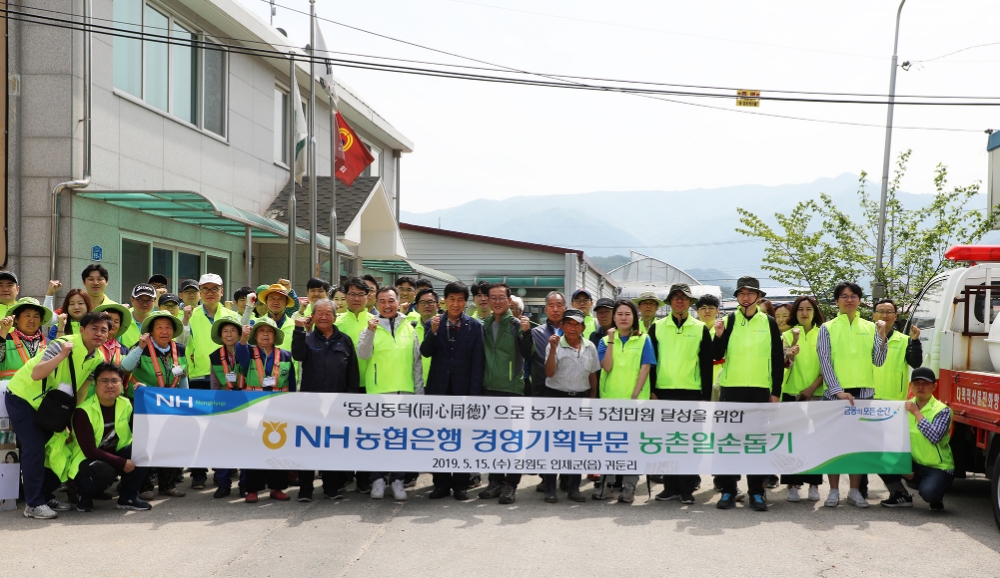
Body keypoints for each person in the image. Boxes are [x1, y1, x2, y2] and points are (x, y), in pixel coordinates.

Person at [4, 311, 110, 519]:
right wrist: (62, 355)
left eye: (104, 330)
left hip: (51, 406)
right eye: (94, 329)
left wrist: (70, 420)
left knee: (56, 447)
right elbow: (36, 374)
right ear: (82, 330)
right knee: (34, 448)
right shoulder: (62, 344)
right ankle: (33, 504)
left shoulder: (98, 358)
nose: (99, 333)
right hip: (23, 396)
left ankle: (43, 494)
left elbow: (81, 391)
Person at [711, 277, 783, 512]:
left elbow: (776, 359)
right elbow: (716, 355)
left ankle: (757, 492)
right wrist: (719, 335)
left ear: (758, 296)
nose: (745, 297)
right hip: (731, 389)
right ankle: (729, 490)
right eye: (741, 293)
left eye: (750, 293)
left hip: (760, 390)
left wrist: (775, 392)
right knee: (728, 442)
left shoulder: (769, 322)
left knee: (757, 443)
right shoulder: (728, 321)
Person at [817, 281, 888, 508]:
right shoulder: (827, 328)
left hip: (864, 394)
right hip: (835, 396)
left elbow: (878, 360)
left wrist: (882, 336)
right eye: (844, 296)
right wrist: (837, 391)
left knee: (858, 444)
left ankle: (855, 491)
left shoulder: (870, 327)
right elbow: (825, 361)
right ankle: (834, 490)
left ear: (859, 300)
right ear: (836, 301)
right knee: (834, 444)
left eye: (854, 295)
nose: (849, 299)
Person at [648, 283, 713, 505]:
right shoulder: (657, 327)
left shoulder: (699, 328)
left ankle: (686, 488)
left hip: (691, 393)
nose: (679, 301)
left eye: (684, 298)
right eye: (675, 297)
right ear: (669, 301)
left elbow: (705, 364)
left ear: (690, 302)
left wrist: (705, 396)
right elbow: (651, 363)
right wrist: (653, 390)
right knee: (667, 441)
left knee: (688, 443)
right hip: (663, 392)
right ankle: (670, 487)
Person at [291, 298, 361, 502]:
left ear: (334, 316)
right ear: (312, 316)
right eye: (319, 312)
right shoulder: (308, 338)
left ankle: (331, 487)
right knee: (307, 446)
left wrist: (350, 401)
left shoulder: (345, 340)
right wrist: (298, 330)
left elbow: (352, 373)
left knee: (332, 447)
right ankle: (306, 489)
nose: (323, 316)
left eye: (327, 313)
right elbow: (297, 355)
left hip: (337, 403)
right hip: (310, 403)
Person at [357, 286, 423, 501]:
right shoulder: (370, 328)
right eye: (382, 301)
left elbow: (416, 364)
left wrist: (419, 395)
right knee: (378, 439)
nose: (387, 305)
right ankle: (377, 479)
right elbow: (363, 354)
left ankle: (397, 479)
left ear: (398, 302)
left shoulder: (408, 328)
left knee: (400, 440)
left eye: (391, 300)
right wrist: (369, 332)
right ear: (376, 304)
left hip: (404, 392)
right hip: (378, 393)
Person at [421, 282, 484, 500]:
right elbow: (426, 352)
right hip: (438, 389)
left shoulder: (475, 327)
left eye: (460, 300)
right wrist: (434, 332)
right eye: (451, 299)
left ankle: (460, 484)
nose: (455, 304)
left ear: (465, 302)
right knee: (439, 437)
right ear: (444, 301)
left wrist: (474, 395)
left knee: (462, 438)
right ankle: (440, 484)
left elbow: (478, 363)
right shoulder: (434, 323)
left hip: (463, 391)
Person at [594, 300, 655, 503]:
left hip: (635, 401)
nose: (623, 317)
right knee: (610, 443)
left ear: (634, 317)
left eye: (627, 314)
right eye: (619, 314)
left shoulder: (643, 339)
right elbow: (607, 366)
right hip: (610, 401)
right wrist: (611, 340)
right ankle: (608, 484)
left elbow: (645, 367)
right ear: (614, 317)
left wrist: (635, 394)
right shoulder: (604, 341)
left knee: (633, 445)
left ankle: (629, 486)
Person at [69, 363, 150, 512]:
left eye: (115, 381)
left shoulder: (126, 404)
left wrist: (142, 399)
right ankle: (82, 494)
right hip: (88, 462)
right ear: (95, 384)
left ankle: (128, 497)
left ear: (121, 383)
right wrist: (122, 462)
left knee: (143, 450)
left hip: (114, 455)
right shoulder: (82, 411)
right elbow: (90, 451)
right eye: (104, 381)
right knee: (101, 470)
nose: (110, 385)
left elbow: (142, 432)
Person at [478, 282, 533, 504]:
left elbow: (528, 353)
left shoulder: (517, 324)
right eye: (493, 297)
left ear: (509, 300)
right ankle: (495, 481)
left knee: (511, 441)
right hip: (488, 388)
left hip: (512, 390)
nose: (498, 301)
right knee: (492, 439)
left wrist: (527, 332)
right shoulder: (484, 324)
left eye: (502, 297)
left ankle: (511, 484)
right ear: (488, 301)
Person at [541, 308, 599, 503]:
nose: (573, 328)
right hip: (556, 398)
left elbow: (592, 376)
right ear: (563, 326)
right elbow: (549, 373)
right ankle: (550, 488)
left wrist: (591, 399)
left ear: (583, 327)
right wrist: (553, 350)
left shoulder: (590, 346)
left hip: (580, 399)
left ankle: (574, 487)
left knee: (577, 445)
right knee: (553, 445)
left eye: (577, 324)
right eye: (569, 324)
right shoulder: (554, 344)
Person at [236, 317, 296, 503]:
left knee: (278, 446)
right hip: (254, 407)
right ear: (255, 335)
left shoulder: (285, 355)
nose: (265, 335)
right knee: (254, 447)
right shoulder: (248, 352)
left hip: (279, 408)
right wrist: (243, 339)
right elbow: (239, 355)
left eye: (269, 332)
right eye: (261, 332)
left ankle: (277, 487)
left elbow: (292, 383)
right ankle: (253, 489)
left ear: (275, 336)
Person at [879, 367, 954, 510]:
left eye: (925, 383)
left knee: (929, 493)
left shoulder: (942, 410)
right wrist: (901, 465)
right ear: (911, 386)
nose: (920, 387)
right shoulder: (903, 407)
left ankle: (936, 495)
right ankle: (900, 494)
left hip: (938, 467)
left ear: (934, 386)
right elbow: (894, 438)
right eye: (916, 383)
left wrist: (916, 412)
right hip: (914, 463)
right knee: (880, 457)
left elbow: (935, 437)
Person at [779, 296, 826, 502]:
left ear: (815, 312)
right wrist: (790, 355)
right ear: (795, 313)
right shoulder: (787, 335)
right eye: (800, 309)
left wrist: (812, 387)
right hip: (791, 394)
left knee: (815, 441)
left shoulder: (823, 334)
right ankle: (792, 484)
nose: (804, 313)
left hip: (816, 394)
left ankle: (814, 484)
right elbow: (783, 365)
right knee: (791, 441)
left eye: (809, 309)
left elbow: (829, 366)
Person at [337, 277, 376, 494]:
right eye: (352, 294)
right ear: (346, 296)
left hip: (369, 386)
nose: (357, 298)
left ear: (368, 297)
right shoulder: (337, 322)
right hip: (343, 386)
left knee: (365, 435)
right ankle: (343, 476)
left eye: (362, 294)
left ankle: (364, 478)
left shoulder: (375, 321)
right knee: (344, 434)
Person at [872, 299, 923, 401]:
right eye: (881, 311)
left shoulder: (904, 340)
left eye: (889, 312)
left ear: (895, 316)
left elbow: (916, 363)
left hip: (895, 400)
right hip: (868, 397)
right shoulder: (866, 337)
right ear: (874, 315)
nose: (885, 315)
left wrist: (915, 341)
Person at [0, 298, 53, 379]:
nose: (31, 320)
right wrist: (3, 330)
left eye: (36, 316)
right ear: (16, 319)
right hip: (9, 390)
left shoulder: (49, 343)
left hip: (40, 391)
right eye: (27, 315)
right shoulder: (5, 339)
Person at [530, 292, 566, 396]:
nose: (555, 309)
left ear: (565, 308)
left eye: (559, 305)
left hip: (566, 393)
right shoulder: (536, 333)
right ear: (546, 309)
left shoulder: (572, 333)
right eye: (551, 306)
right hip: (542, 392)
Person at [258, 284, 297, 353]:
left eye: (280, 299)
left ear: (286, 302)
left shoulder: (295, 326)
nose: (276, 302)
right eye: (272, 298)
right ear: (266, 302)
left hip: (288, 364)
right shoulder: (257, 324)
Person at [412, 287, 439, 386]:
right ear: (417, 307)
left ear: (438, 305)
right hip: (415, 383)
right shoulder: (410, 328)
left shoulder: (446, 327)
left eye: (430, 302)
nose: (427, 306)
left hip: (438, 383)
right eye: (422, 303)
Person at [119, 284, 157, 348]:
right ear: (132, 300)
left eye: (149, 300)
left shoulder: (159, 321)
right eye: (140, 300)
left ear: (155, 302)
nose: (145, 304)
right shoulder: (122, 319)